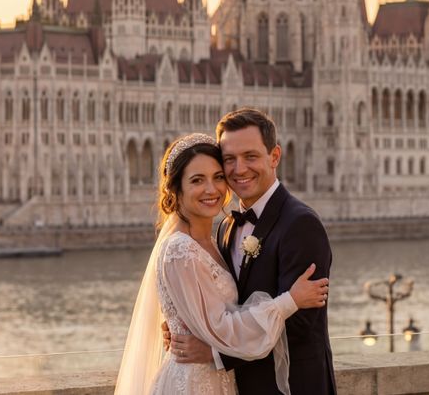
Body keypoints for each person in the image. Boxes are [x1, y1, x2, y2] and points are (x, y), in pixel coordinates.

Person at [115, 133, 328, 395]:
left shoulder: (223, 233)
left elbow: (301, 324)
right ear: (176, 188)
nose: (211, 189)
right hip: (194, 383)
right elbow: (219, 325)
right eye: (197, 180)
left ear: (274, 156)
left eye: (217, 177)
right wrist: (290, 300)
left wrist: (205, 341)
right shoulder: (182, 248)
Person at [169, 109, 337, 394]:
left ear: (274, 156)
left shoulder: (301, 224)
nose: (239, 169)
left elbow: (299, 325)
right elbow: (222, 304)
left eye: (250, 156)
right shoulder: (225, 227)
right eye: (229, 159)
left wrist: (216, 353)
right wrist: (188, 325)